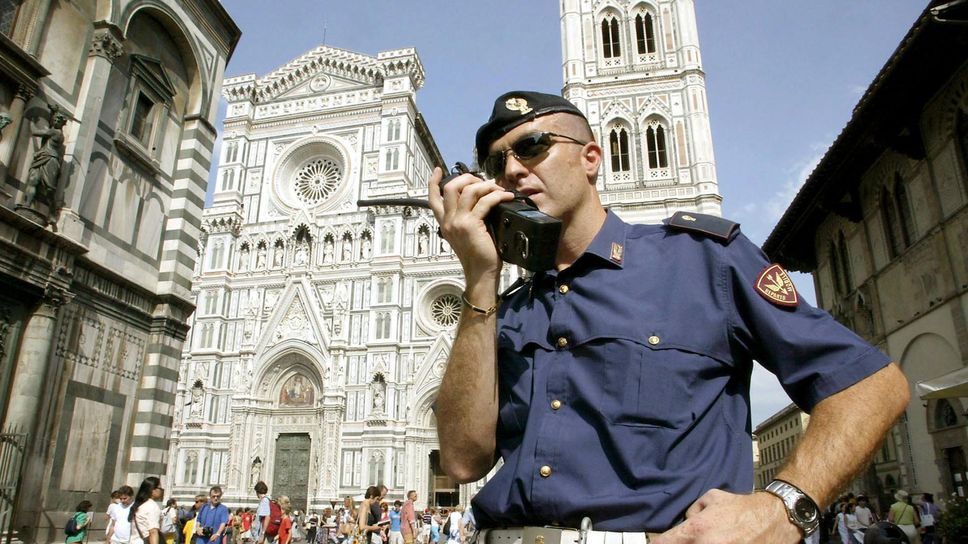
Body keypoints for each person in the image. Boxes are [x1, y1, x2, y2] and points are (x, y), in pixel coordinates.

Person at [428, 90, 911, 543]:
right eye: (496, 163)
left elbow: (870, 384)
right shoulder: (501, 307)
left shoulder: (702, 260)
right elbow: (462, 461)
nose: (512, 171)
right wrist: (480, 278)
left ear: (591, 158)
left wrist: (785, 506)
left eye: (532, 146)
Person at [129, 476, 163, 544]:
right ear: (152, 490)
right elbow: (153, 531)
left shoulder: (138, 505)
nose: (161, 490)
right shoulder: (152, 506)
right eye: (160, 488)